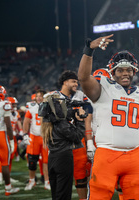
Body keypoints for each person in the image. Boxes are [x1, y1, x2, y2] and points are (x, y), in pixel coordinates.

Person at [78, 34, 139, 200]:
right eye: (120, 70)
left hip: (134, 156)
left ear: (134, 71)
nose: (125, 73)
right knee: (99, 195)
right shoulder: (103, 87)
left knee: (137, 196)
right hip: (107, 155)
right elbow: (83, 77)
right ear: (113, 72)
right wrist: (89, 50)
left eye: (128, 70)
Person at [39, 91, 86, 200]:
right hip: (63, 158)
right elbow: (77, 136)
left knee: (56, 194)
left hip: (52, 158)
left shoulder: (47, 121)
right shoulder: (60, 123)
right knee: (63, 194)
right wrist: (80, 121)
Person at [56, 70, 92, 199]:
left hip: (78, 140)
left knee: (81, 174)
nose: (76, 84)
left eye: (77, 81)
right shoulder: (54, 97)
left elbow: (89, 113)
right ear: (65, 82)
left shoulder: (80, 95)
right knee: (61, 177)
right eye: (73, 81)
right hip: (61, 142)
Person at [23, 89, 50, 190]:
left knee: (46, 162)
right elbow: (26, 121)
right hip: (34, 137)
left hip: (45, 138)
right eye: (37, 96)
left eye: (41, 96)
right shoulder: (32, 108)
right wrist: (25, 134)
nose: (38, 98)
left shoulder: (49, 108)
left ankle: (47, 181)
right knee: (32, 161)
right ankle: (31, 181)